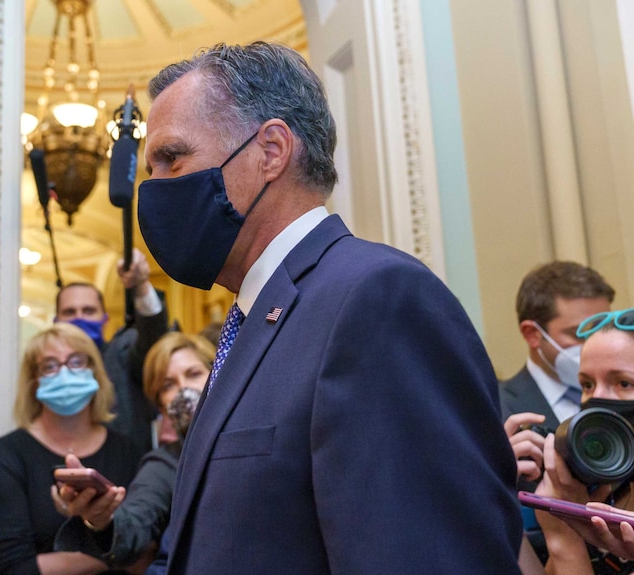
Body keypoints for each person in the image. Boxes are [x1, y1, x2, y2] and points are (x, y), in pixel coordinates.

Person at [135, 41, 521, 574]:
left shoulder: (377, 301)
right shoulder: (254, 319)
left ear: (270, 151)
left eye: (171, 159)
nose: (153, 189)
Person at [0, 323, 146, 574]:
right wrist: (114, 554)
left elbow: (146, 547)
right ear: (33, 381)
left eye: (76, 362)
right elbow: (13, 566)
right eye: (49, 366)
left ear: (94, 370)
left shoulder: (127, 450)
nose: (64, 373)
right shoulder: (9, 452)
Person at [53, 333, 215, 572]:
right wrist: (102, 520)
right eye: (168, 385)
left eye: (193, 374)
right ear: (161, 405)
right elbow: (135, 524)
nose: (184, 388)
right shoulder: (165, 464)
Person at [533, 307, 634, 574]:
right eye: (587, 384)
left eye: (624, 383)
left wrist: (565, 538)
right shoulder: (606, 491)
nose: (595, 399)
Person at [56, 248, 169, 454]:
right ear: (56, 321)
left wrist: (141, 286)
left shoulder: (122, 354)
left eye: (88, 311)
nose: (79, 318)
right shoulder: (46, 369)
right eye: (69, 312)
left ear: (104, 319)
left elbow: (152, 341)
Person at [499, 261, 615, 427]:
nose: (594, 344)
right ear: (532, 334)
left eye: (603, 329)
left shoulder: (625, 393)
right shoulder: (497, 408)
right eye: (578, 333)